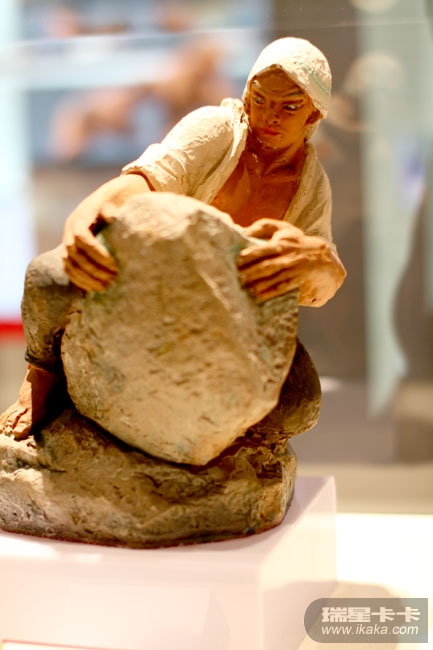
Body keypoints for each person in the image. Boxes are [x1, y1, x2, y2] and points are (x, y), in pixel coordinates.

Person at [0, 37, 346, 440]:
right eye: (260, 99)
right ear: (246, 94)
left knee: (298, 402)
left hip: (232, 319)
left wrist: (318, 263)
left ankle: (225, 445)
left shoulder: (311, 184)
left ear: (313, 114)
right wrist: (84, 218)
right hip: (158, 285)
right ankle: (41, 376)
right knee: (48, 276)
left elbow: (321, 286)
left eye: (289, 106)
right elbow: (145, 179)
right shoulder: (217, 129)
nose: (269, 115)